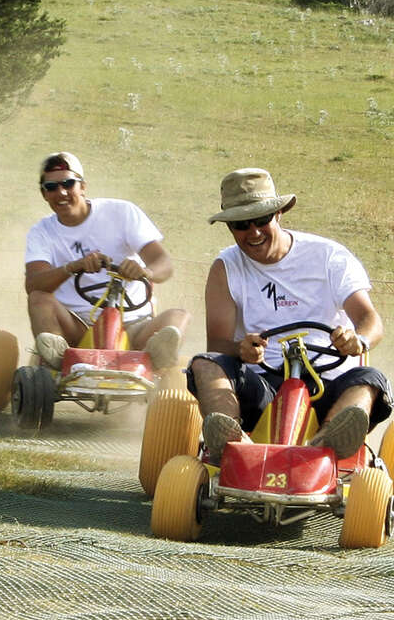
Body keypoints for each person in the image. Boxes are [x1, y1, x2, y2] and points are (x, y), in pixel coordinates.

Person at [187, 167, 392, 460]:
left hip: (328, 385)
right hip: (262, 388)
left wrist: (357, 340)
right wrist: (241, 349)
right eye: (241, 225)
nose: (254, 232)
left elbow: (370, 320)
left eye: (261, 220)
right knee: (204, 364)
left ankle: (327, 444)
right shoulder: (225, 267)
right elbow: (218, 345)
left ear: (278, 214)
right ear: (229, 227)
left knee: (369, 379)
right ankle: (232, 441)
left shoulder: (329, 256)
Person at [25, 152, 190, 370]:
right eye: (52, 187)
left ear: (82, 186)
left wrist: (145, 272)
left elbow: (164, 264)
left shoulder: (121, 212)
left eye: (68, 183)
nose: (61, 192)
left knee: (179, 317)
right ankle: (59, 363)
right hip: (78, 326)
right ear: (44, 194)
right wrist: (73, 267)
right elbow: (34, 285)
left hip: (134, 325)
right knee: (39, 300)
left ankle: (152, 363)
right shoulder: (42, 231)